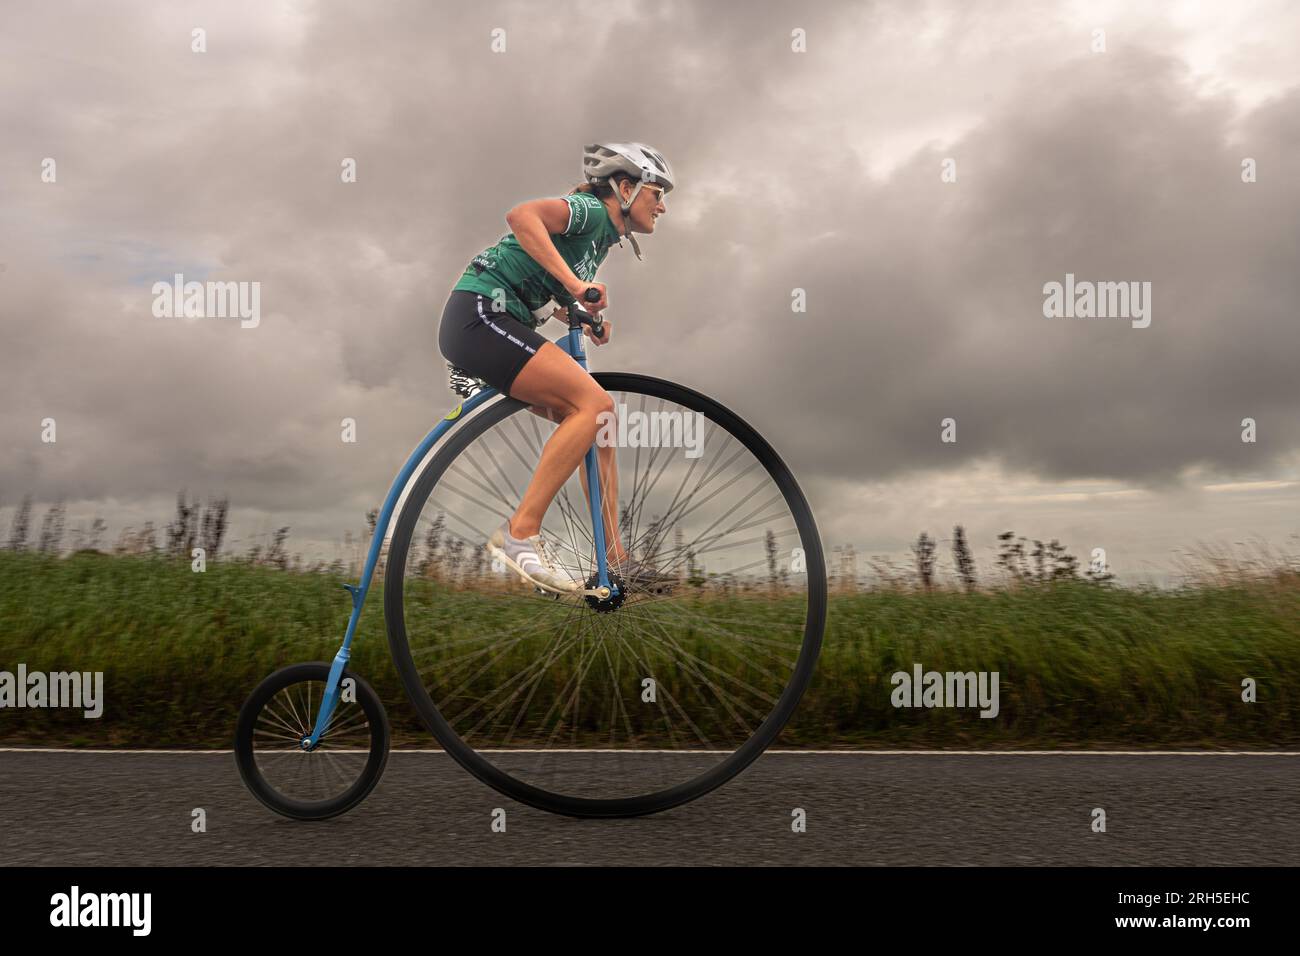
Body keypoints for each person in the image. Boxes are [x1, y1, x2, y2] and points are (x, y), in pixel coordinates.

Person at [438, 143, 674, 593]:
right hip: (479, 315)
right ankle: (520, 533)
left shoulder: (602, 240)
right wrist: (575, 283)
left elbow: (544, 283)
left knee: (600, 419)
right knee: (593, 403)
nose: (662, 206)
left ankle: (614, 559)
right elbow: (522, 216)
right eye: (656, 193)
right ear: (625, 188)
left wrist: (579, 313)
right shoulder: (589, 211)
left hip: (496, 320)